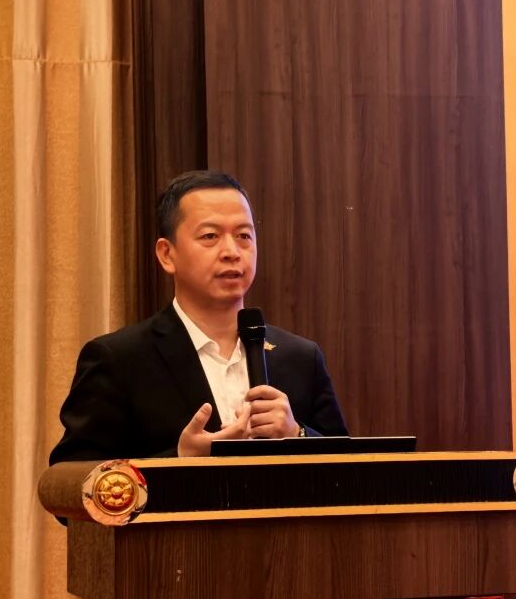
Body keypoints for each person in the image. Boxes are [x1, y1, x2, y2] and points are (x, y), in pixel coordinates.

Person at [49, 170, 347, 465]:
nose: (231, 252)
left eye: (244, 236)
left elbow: (354, 469)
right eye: (210, 236)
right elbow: (69, 481)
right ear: (167, 255)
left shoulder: (301, 358)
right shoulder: (119, 360)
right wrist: (181, 460)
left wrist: (297, 434)